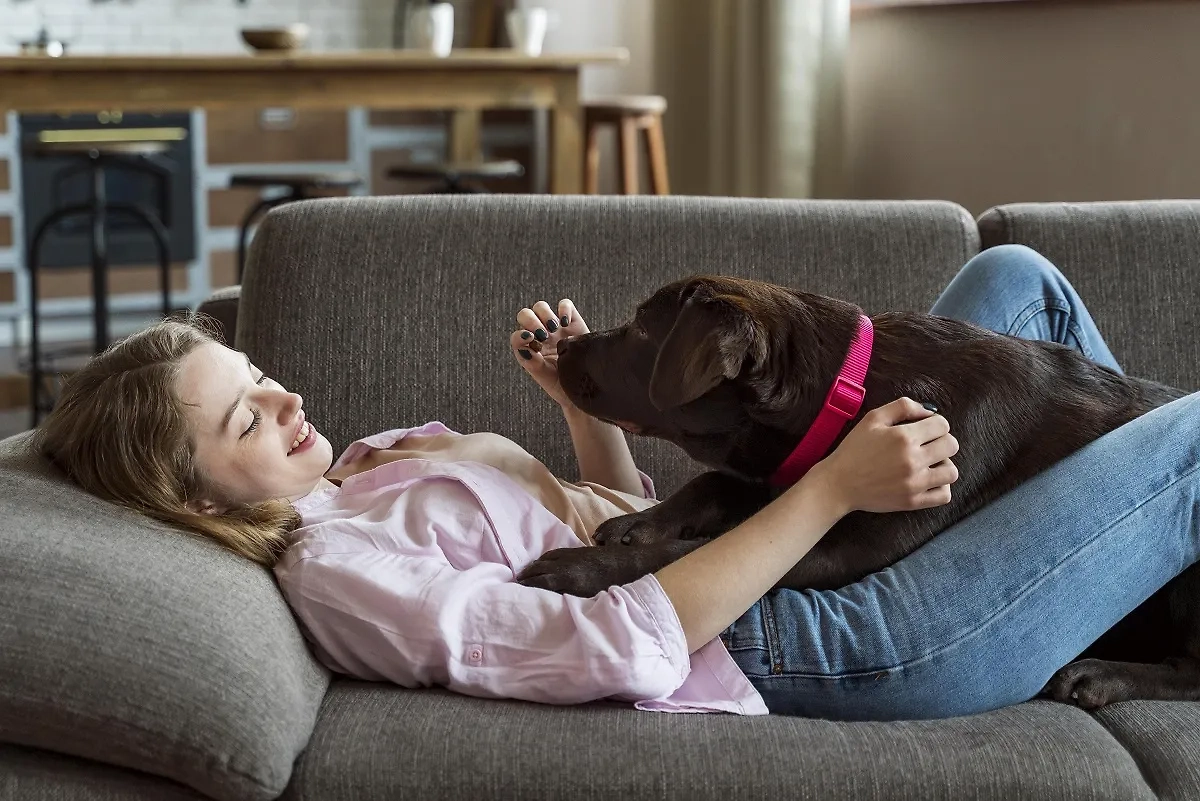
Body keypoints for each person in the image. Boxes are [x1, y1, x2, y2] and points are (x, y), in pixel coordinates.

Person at [33, 245, 1200, 721]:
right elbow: (620, 639)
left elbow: (615, 522)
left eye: (265, 375)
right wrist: (839, 489)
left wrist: (577, 410)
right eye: (247, 415)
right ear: (191, 502)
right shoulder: (340, 566)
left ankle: (1145, 567)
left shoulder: (369, 463)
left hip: (762, 548)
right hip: (825, 634)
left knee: (1017, 277)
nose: (289, 401)